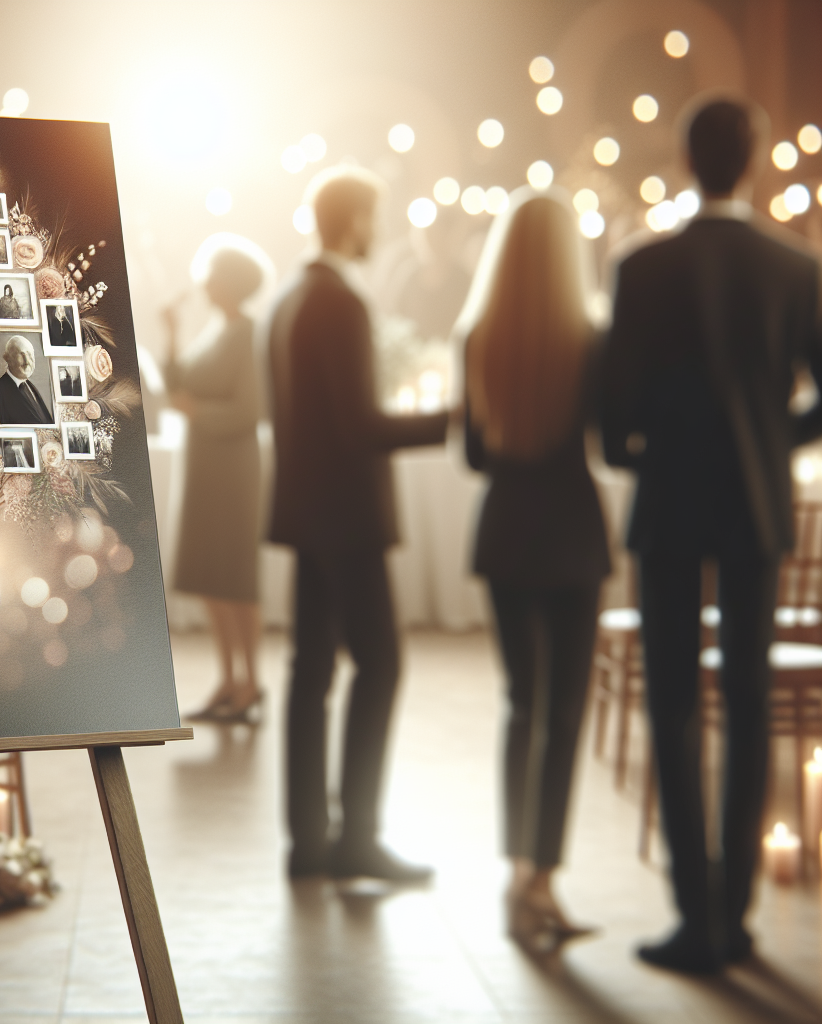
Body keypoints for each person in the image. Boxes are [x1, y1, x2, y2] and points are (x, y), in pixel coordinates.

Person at [602, 98, 822, 974]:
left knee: (673, 702)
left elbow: (613, 419)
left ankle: (695, 915)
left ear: (687, 158)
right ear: (756, 159)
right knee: (748, 703)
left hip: (668, 505)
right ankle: (737, 915)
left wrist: (641, 448)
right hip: (759, 505)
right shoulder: (797, 265)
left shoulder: (642, 265)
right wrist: (775, 443)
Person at [268, 166, 449, 881]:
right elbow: (361, 426)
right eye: (376, 217)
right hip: (346, 515)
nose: (382, 231)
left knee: (310, 672)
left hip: (308, 511)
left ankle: (308, 841)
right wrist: (453, 420)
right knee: (380, 665)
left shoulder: (290, 295)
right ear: (353, 220)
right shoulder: (339, 301)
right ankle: (357, 838)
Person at [459, 190, 609, 951]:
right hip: (574, 533)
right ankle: (543, 879)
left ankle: (515, 874)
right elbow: (610, 445)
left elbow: (475, 455)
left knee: (522, 705)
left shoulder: (477, 335)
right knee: (567, 713)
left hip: (506, 532)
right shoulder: (589, 337)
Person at [161, 235, 269, 722]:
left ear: (228, 281)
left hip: (232, 467)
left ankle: (251, 680)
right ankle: (229, 679)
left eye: (212, 274)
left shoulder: (248, 333)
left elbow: (251, 409)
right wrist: (171, 333)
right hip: (204, 464)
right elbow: (177, 383)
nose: (204, 282)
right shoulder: (215, 330)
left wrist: (197, 412)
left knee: (235, 579)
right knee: (210, 576)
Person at [0, 335, 54, 425]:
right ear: (7, 358)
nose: (27, 361)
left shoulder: (30, 387)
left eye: (30, 355)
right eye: (21, 355)